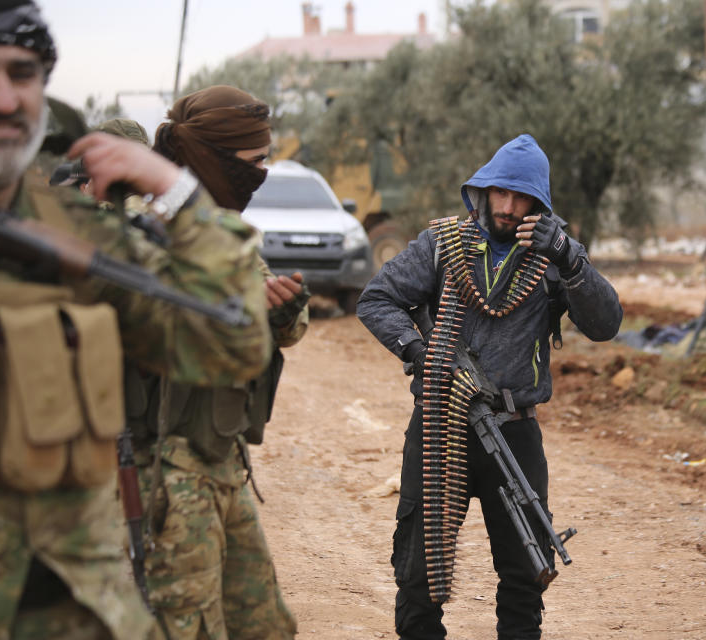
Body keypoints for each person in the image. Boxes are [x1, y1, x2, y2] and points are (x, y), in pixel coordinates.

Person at [0, 2, 272, 639]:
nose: (5, 99)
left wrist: (177, 193)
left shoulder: (77, 238)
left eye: (23, 73)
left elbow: (232, 344)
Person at [357, 133, 622, 640]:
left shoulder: (554, 257)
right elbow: (376, 300)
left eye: (520, 197)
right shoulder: (442, 245)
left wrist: (568, 258)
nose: (506, 206)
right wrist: (419, 353)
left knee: (525, 576)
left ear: (538, 205)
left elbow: (606, 323)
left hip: (514, 433)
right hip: (441, 424)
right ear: (482, 191)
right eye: (499, 193)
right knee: (419, 573)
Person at [125, 85, 306, 639]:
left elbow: (283, 328)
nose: (263, 174)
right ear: (215, 158)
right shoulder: (144, 226)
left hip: (222, 458)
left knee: (265, 625)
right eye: (256, 162)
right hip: (167, 468)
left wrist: (282, 312)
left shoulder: (224, 230)